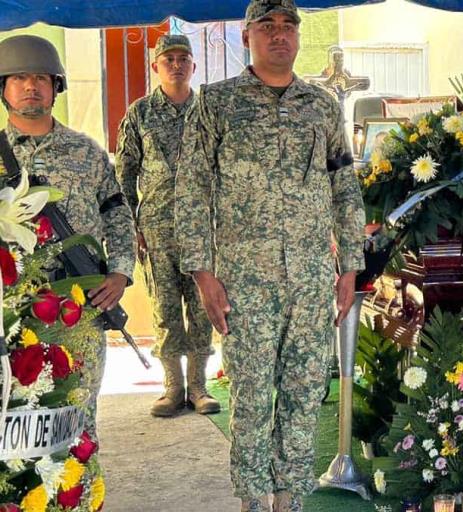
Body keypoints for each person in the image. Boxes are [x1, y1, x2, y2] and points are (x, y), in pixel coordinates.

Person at [174, 0, 365, 510]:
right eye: (267, 26)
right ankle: (255, 502)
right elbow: (190, 189)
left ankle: (291, 499)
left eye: (288, 26)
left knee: (304, 395)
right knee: (254, 399)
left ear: (298, 36)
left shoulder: (321, 106)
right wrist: (202, 272)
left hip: (309, 277)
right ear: (247, 36)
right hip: (243, 280)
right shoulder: (214, 103)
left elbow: (344, 188)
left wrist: (350, 265)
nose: (279, 35)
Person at [0, 35, 136, 438]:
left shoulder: (87, 152)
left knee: (78, 415)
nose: (30, 87)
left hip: (80, 306)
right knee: (13, 419)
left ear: (56, 87)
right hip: (10, 313)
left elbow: (118, 216)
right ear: (3, 88)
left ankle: (79, 499)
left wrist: (120, 274)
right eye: (19, 78)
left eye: (41, 77)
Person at [115, 34, 220, 417]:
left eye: (183, 58)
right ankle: (172, 388)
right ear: (156, 66)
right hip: (156, 228)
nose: (176, 64)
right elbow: (124, 175)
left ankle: (199, 387)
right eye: (168, 59)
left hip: (202, 228)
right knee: (165, 309)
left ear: (193, 66)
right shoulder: (139, 113)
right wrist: (131, 225)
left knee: (201, 306)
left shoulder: (208, 111)